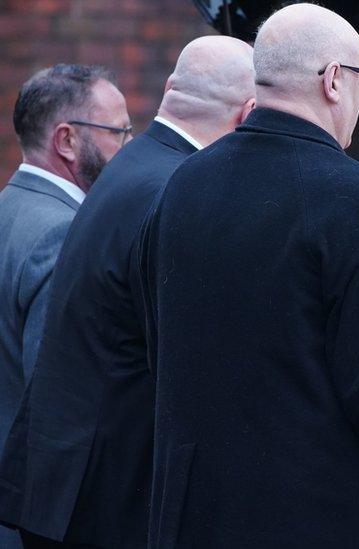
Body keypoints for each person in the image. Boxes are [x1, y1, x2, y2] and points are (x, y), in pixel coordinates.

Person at [141, 4, 359, 547]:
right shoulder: (358, 198)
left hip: (192, 515)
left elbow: (159, 344)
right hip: (312, 516)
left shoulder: (183, 182)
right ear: (333, 80)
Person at [0, 37, 255, 549]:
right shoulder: (174, 188)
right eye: (115, 129)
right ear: (247, 115)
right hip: (100, 494)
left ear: (169, 90)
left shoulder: (123, 171)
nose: (124, 138)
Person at [0, 64, 129, 548]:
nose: (128, 148)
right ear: (67, 141)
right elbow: (54, 400)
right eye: (119, 132)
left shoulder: (7, 211)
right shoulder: (64, 234)